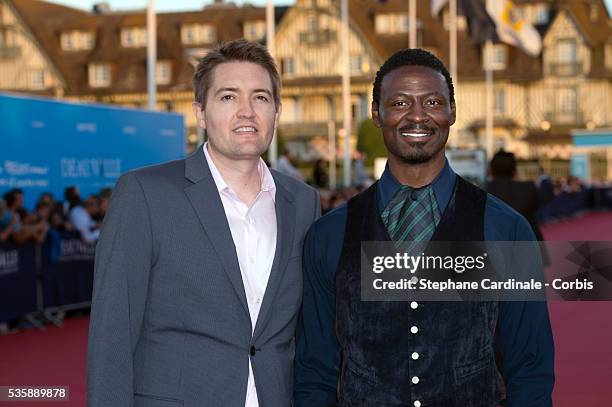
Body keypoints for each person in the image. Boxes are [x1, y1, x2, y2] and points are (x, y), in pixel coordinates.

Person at [294, 49, 554, 407]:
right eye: (400, 103)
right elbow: (314, 370)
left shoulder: (506, 229)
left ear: (452, 112)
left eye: (432, 101)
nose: (417, 115)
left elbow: (529, 369)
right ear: (376, 114)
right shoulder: (328, 235)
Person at [87, 39, 320, 407]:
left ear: (276, 112)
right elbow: (112, 333)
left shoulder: (303, 201)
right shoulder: (145, 194)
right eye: (228, 97)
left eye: (260, 97)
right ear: (200, 113)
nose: (246, 112)